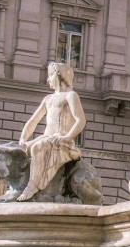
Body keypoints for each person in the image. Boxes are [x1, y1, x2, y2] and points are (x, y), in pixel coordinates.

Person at [16, 61, 88, 202]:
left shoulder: (71, 96)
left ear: (58, 76)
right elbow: (33, 121)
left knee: (37, 147)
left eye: (50, 75)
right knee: (21, 149)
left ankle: (33, 186)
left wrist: (67, 137)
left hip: (61, 141)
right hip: (47, 138)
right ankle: (18, 186)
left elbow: (81, 120)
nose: (48, 79)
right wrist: (23, 139)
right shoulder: (48, 99)